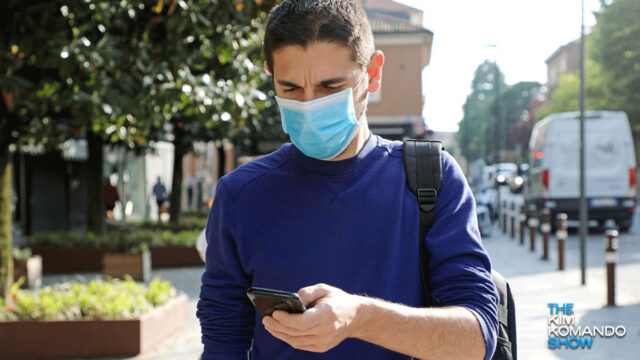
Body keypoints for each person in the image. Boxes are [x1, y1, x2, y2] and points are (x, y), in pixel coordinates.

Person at [197, 1, 498, 359]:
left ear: (373, 73)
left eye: (330, 87)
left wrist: (359, 318)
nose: (309, 105)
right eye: (290, 88)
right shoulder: (240, 195)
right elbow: (222, 342)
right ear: (270, 74)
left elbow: (476, 337)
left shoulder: (431, 178)